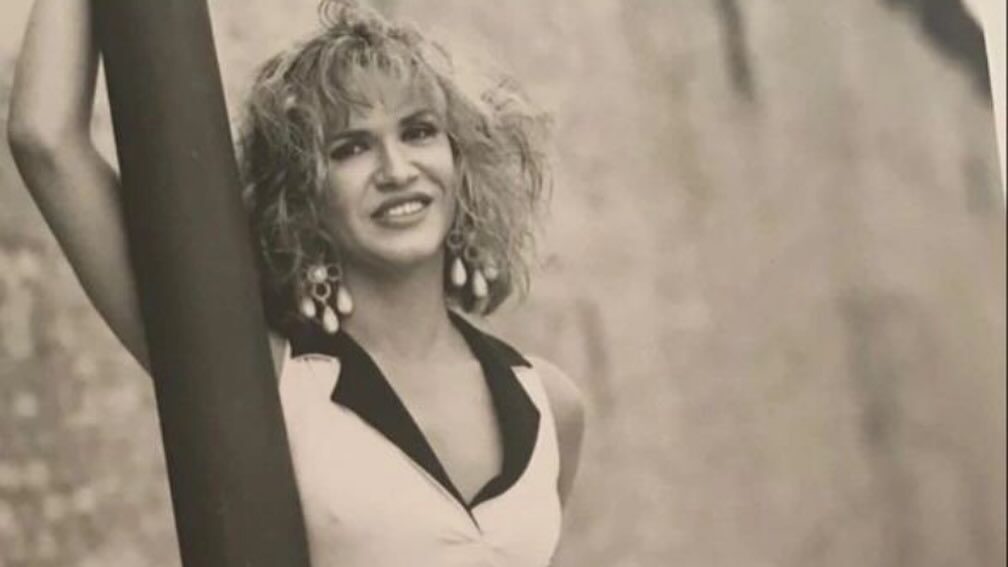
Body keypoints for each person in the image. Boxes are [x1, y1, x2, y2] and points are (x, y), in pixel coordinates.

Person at [6, 0, 585, 565]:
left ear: (461, 162)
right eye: (350, 147)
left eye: (418, 131)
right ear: (303, 195)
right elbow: (45, 139)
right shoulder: (261, 380)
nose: (396, 170)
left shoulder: (550, 403)